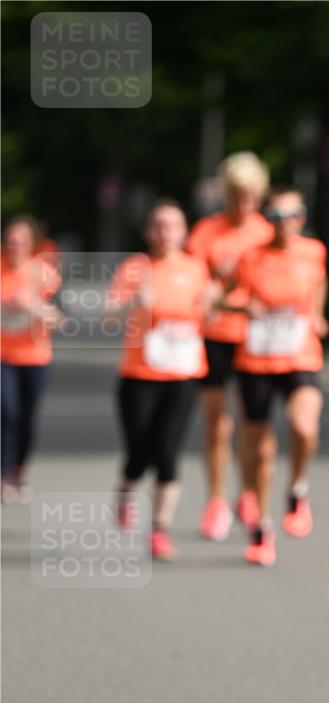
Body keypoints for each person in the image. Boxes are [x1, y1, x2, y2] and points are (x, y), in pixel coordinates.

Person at [106, 199, 217, 560]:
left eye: (173, 225)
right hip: (139, 375)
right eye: (158, 225)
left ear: (184, 232)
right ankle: (126, 489)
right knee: (140, 453)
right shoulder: (135, 268)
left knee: (168, 453)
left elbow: (210, 318)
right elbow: (107, 317)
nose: (165, 233)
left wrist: (213, 305)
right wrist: (132, 304)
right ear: (148, 231)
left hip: (182, 373)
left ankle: (159, 530)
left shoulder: (197, 268)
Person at [232, 186, 328, 567]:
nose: (284, 223)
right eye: (274, 216)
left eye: (292, 215)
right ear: (266, 220)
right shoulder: (251, 256)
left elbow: (317, 286)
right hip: (257, 357)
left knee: (304, 427)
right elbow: (228, 295)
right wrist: (243, 305)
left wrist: (318, 315)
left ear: (302, 218)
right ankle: (262, 528)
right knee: (258, 449)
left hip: (300, 354)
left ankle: (298, 488)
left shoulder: (313, 252)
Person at [187, 152, 273, 540]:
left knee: (252, 425)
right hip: (215, 336)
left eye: (250, 196)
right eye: (236, 195)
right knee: (217, 423)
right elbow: (194, 281)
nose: (243, 203)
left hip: (255, 339)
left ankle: (249, 496)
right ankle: (216, 501)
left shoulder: (266, 231)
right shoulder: (207, 231)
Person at [1, 216, 61, 502]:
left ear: (32, 244)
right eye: (11, 241)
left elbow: (60, 318)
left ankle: (18, 471)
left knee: (26, 418)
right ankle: (3, 474)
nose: (15, 246)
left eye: (21, 241)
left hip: (34, 355)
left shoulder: (44, 273)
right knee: (7, 411)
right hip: (3, 355)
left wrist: (34, 307)